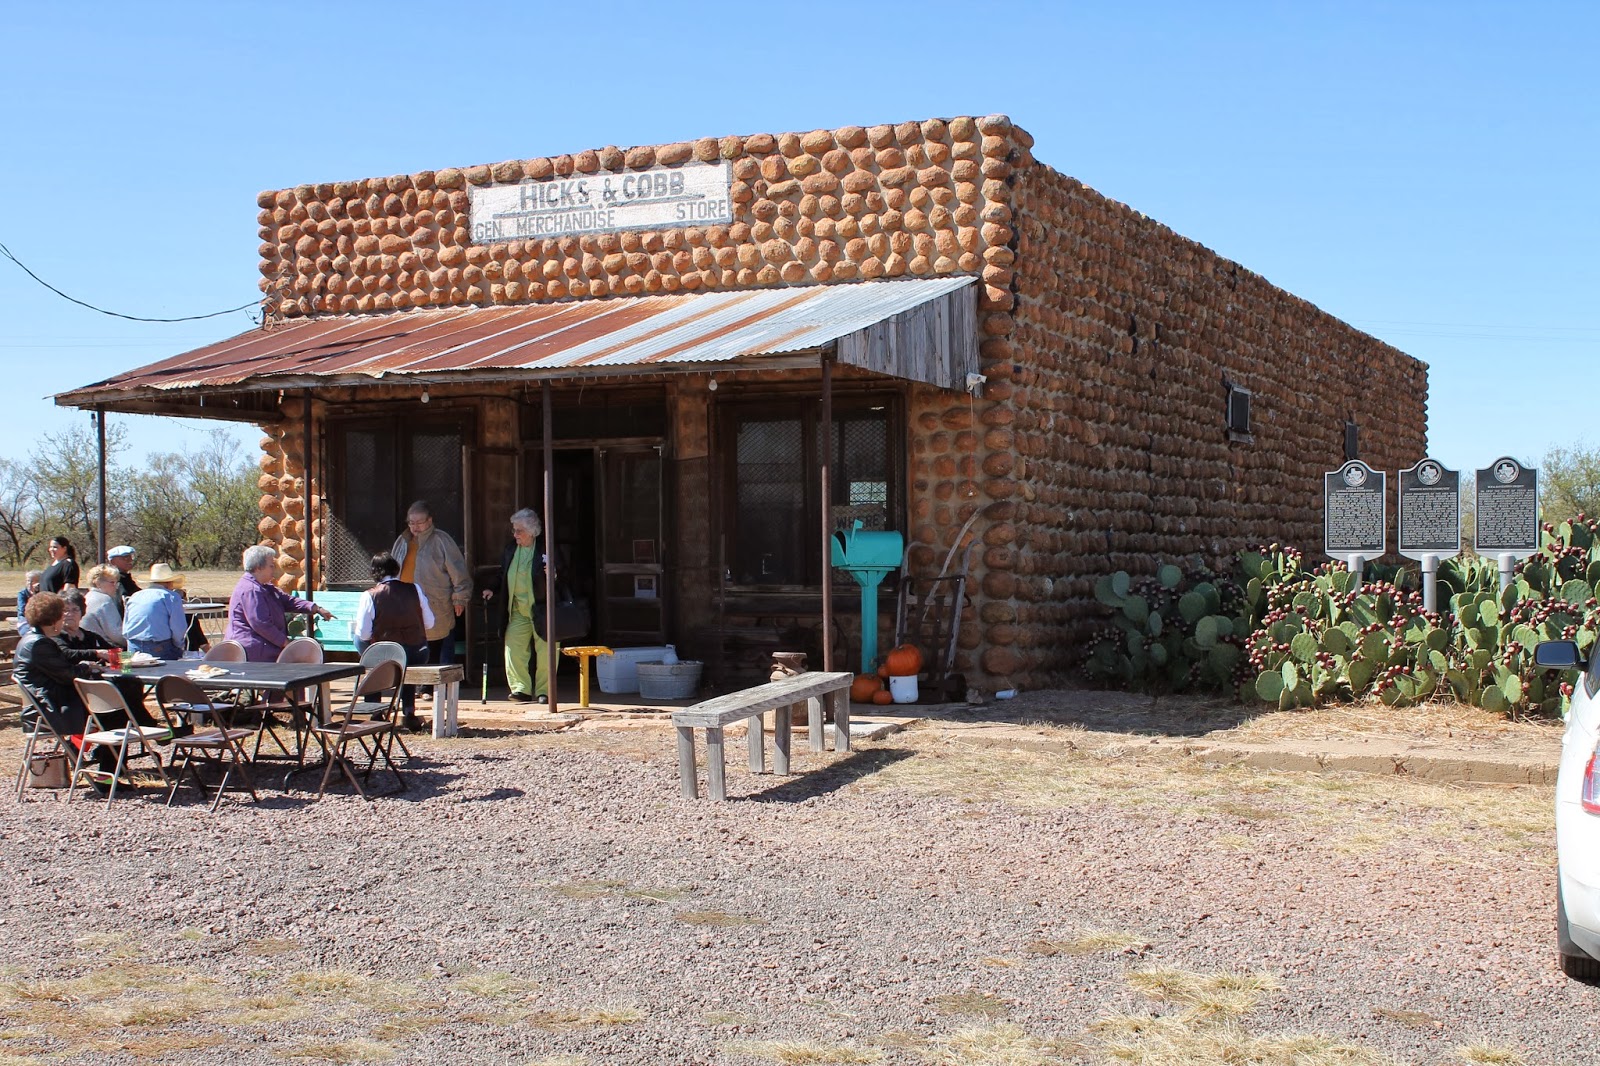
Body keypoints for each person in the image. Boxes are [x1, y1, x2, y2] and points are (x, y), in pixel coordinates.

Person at [16, 592, 133, 787]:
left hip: (47, 704)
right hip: (52, 709)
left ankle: (103, 770)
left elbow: (61, 668)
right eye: (62, 616)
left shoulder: (33, 639)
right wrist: (87, 666)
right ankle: (106, 779)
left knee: (116, 708)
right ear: (54, 620)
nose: (65, 620)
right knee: (117, 715)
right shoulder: (40, 644)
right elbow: (68, 675)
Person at [481, 508, 560, 704]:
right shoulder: (511, 549)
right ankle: (520, 689)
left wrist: (554, 574)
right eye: (514, 530)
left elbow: (564, 574)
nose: (515, 534)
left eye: (519, 531)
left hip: (542, 610)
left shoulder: (546, 548)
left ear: (532, 531)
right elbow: (502, 573)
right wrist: (491, 588)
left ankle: (545, 691)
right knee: (513, 648)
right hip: (517, 610)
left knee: (546, 651)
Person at [355, 551, 434, 731]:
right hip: (418, 652)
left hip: (387, 656)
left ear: (374, 572)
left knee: (363, 646)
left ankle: (375, 710)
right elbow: (430, 623)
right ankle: (409, 712)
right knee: (405, 661)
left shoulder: (370, 595)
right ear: (397, 569)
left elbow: (364, 633)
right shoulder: (415, 589)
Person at [389, 501, 471, 669]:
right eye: (411, 523)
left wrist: (460, 598)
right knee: (411, 645)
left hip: (436, 602)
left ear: (430, 521)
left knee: (441, 642)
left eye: (419, 522)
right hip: (405, 604)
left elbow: (458, 571)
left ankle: (440, 688)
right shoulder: (402, 541)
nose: (415, 527)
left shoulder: (441, 540)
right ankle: (417, 686)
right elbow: (392, 570)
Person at [58, 587, 157, 724]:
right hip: (76, 693)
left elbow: (116, 653)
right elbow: (68, 653)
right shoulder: (56, 637)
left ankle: (137, 729)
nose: (70, 614)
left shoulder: (89, 636)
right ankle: (148, 726)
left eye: (75, 609)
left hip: (100, 689)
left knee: (130, 681)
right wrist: (97, 653)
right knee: (123, 689)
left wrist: (133, 662)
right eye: (65, 610)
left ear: (82, 613)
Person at [224, 544, 334, 662]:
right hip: (253, 653)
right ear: (258, 567)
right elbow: (260, 623)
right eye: (271, 566)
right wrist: (284, 642)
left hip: (266, 649)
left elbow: (287, 600)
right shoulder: (251, 590)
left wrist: (315, 608)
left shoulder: (265, 587)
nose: (274, 569)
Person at [123, 563, 189, 660]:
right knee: (176, 667)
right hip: (159, 645)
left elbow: (126, 624)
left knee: (130, 672)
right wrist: (179, 645)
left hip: (132, 644)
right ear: (169, 583)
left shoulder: (135, 596)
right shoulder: (171, 596)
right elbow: (178, 627)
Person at [81, 565, 127, 648]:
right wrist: (132, 643)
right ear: (98, 583)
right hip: (104, 649)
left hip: (89, 646)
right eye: (112, 583)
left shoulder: (88, 596)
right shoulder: (104, 600)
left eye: (117, 583)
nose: (116, 587)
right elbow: (116, 634)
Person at [15, 569, 41, 637]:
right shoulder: (22, 593)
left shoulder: (42, 592)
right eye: (28, 580)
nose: (29, 583)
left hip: (40, 620)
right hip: (25, 620)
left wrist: (36, 593)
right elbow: (23, 611)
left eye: (33, 581)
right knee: (30, 634)